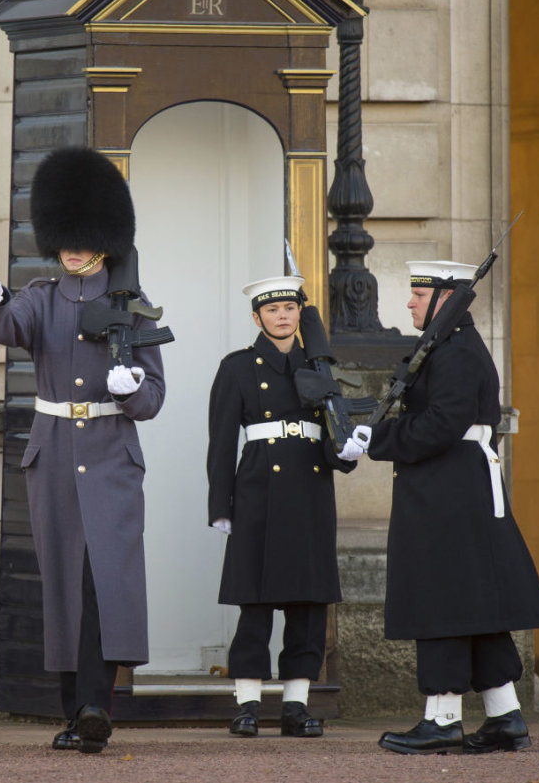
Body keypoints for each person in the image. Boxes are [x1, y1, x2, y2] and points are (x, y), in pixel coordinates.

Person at [0, 147, 166, 754]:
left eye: (83, 241)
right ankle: (73, 708)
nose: (73, 251)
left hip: (110, 456)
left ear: (104, 242)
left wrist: (131, 391)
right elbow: (9, 328)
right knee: (64, 583)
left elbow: (155, 395)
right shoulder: (41, 297)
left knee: (101, 580)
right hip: (54, 455)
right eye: (66, 241)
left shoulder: (133, 306)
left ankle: (93, 705)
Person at [338, 260, 539, 755]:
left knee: (443, 601)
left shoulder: (455, 352)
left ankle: (442, 719)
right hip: (454, 487)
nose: (410, 302)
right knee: (475, 604)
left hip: (449, 490)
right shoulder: (447, 347)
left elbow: (440, 425)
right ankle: (504, 717)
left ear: (445, 298)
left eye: (419, 294)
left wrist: (379, 437)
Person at [207, 276, 343, 738]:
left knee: (307, 605)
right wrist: (220, 504)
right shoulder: (238, 367)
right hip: (259, 488)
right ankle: (247, 702)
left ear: (299, 313)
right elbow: (221, 443)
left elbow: (335, 435)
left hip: (310, 487)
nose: (282, 316)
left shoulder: (320, 365)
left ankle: (296, 704)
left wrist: (346, 451)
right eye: (272, 309)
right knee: (255, 601)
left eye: (289, 308)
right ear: (256, 317)